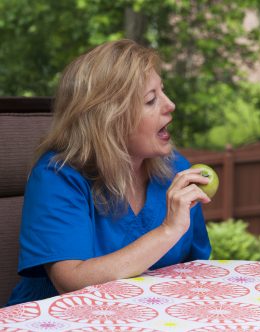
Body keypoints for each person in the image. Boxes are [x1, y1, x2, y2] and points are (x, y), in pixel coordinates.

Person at [7, 39, 212, 305]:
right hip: (62, 322)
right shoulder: (57, 176)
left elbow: (195, 270)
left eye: (163, 91)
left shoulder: (177, 170)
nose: (170, 104)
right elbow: (71, 281)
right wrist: (167, 231)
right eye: (151, 100)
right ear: (109, 119)